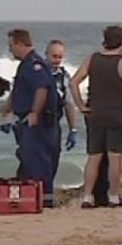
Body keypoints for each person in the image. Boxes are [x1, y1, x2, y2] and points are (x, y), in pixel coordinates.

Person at [70, 26, 122, 208]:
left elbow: (73, 82)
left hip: (95, 114)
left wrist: (81, 105)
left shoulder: (92, 58)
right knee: (114, 157)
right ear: (121, 42)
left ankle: (88, 196)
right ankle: (113, 196)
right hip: (117, 114)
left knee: (94, 156)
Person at [4, 29, 59, 208]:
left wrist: (35, 112)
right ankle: (30, 198)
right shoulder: (25, 64)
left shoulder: (33, 65)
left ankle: (45, 201)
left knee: (38, 160)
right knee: (27, 159)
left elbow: (41, 88)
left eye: (11, 45)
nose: (10, 50)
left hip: (38, 122)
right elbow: (20, 90)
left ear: (20, 44)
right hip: (27, 120)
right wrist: (7, 110)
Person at [45, 40, 78, 186]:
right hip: (35, 125)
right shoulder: (36, 72)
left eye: (59, 57)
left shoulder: (64, 76)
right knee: (35, 162)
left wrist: (73, 129)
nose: (56, 60)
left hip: (53, 124)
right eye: (54, 56)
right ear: (46, 55)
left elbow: (69, 103)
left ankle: (47, 196)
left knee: (53, 160)